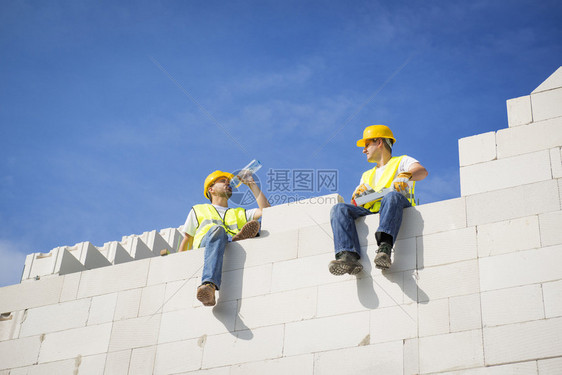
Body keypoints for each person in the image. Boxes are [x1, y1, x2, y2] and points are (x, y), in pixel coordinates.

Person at [328, 125, 428, 275]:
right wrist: (357, 197)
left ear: (379, 142)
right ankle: (347, 255)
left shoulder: (402, 161)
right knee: (339, 209)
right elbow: (355, 202)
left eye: (367, 144)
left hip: (397, 206)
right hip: (372, 211)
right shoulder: (367, 174)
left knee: (392, 196)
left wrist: (406, 175)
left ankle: (385, 248)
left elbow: (422, 171)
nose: (364, 150)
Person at [179, 170, 270, 306]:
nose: (228, 183)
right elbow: (187, 239)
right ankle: (209, 285)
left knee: (259, 225)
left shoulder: (237, 212)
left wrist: (252, 184)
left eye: (228, 181)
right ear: (211, 189)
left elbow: (266, 210)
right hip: (208, 245)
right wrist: (179, 260)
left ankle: (236, 239)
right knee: (217, 230)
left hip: (229, 245)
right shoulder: (198, 210)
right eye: (223, 181)